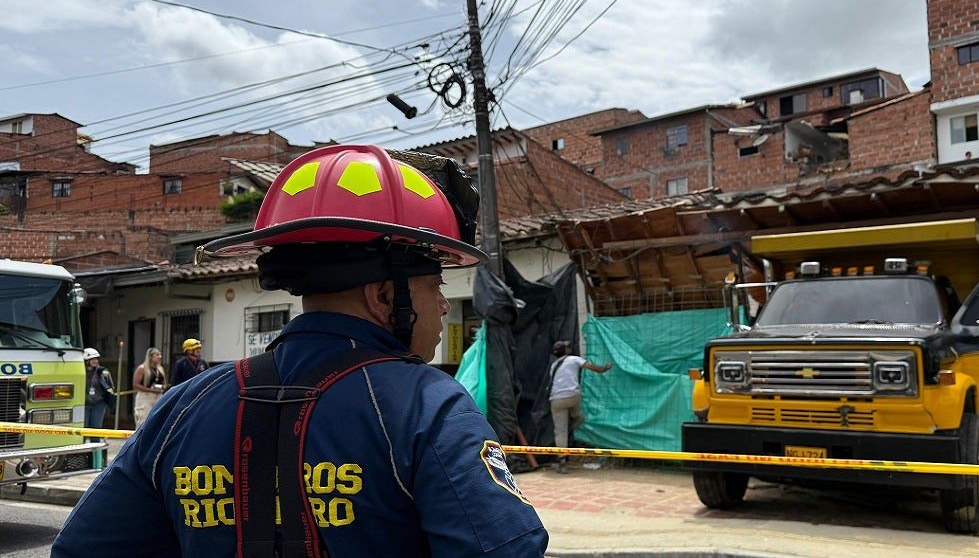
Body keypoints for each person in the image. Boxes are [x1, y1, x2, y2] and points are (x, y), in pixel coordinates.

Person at [53, 145, 548, 557]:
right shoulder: (427, 404)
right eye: (433, 286)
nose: (443, 306)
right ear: (383, 297)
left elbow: (86, 548)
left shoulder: (185, 404)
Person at [548, 339, 612, 473]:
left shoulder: (554, 365)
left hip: (557, 399)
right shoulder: (573, 359)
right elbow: (593, 368)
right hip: (573, 396)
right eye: (567, 347)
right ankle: (574, 421)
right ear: (565, 351)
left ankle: (562, 462)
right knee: (577, 416)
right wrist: (605, 368)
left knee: (560, 431)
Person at [83, 347, 115, 437]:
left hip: (99, 403)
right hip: (85, 403)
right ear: (86, 360)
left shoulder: (103, 372)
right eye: (92, 359)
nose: (95, 361)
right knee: (83, 428)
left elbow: (111, 387)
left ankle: (96, 450)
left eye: (96, 359)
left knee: (96, 429)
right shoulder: (82, 372)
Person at [131, 347, 166, 428]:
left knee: (158, 420)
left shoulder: (160, 369)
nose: (160, 357)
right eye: (157, 355)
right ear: (151, 356)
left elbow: (163, 383)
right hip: (145, 397)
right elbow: (135, 385)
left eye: (160, 355)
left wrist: (162, 388)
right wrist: (151, 390)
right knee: (143, 420)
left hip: (158, 396)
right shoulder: (142, 368)